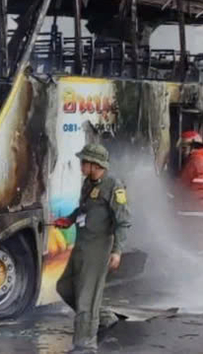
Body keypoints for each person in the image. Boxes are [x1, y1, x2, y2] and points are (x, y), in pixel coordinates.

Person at [54, 143, 131, 351]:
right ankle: (104, 317)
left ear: (95, 165)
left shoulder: (114, 186)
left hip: (98, 249)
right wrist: (69, 219)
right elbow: (84, 208)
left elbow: (123, 221)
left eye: (84, 162)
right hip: (82, 246)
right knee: (64, 286)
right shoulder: (88, 183)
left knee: (86, 298)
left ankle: (85, 344)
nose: (80, 165)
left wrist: (117, 251)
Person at [175, 130, 203, 257]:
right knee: (199, 237)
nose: (182, 151)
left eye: (184, 148)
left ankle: (198, 267)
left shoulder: (193, 161)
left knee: (193, 240)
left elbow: (182, 185)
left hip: (193, 208)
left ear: (192, 146)